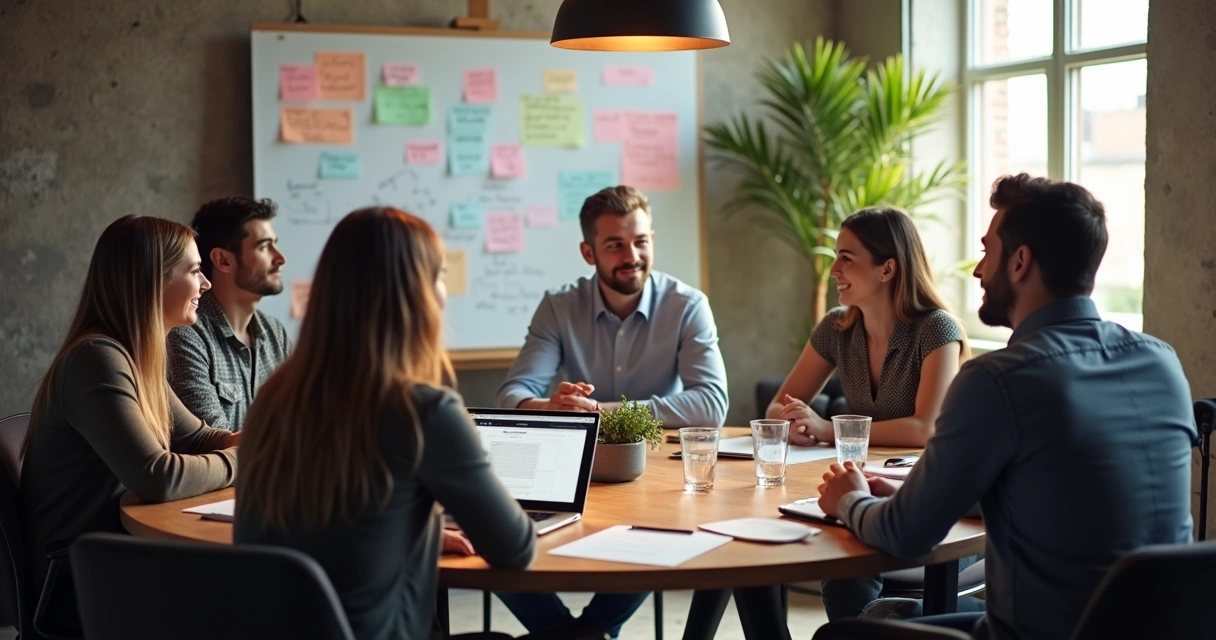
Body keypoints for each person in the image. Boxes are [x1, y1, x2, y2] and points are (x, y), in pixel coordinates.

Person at [817, 174, 1196, 640]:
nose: (978, 270)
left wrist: (848, 498)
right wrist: (910, 493)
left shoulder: (999, 380)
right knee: (885, 615)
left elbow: (904, 537)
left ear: (1020, 262)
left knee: (840, 635)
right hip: (1163, 628)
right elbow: (1059, 484)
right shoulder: (1161, 361)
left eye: (986, 251)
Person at [233, 207, 564, 640]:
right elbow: (516, 548)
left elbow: (329, 526)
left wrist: (410, 526)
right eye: (441, 277)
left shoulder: (274, 400)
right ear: (417, 295)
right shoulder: (423, 411)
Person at [494, 186, 729, 638]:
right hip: (578, 475)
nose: (632, 255)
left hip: (658, 479)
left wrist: (604, 412)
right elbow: (512, 395)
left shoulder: (688, 305)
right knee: (493, 533)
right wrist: (551, 405)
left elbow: (712, 404)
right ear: (588, 252)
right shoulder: (559, 306)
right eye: (615, 245)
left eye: (641, 241)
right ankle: (580, 633)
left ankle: (585, 631)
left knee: (669, 526)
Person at [20, 215, 240, 632]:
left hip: (116, 558)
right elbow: (157, 476)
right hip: (77, 584)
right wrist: (245, 459)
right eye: (195, 271)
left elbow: (197, 437)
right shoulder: (97, 360)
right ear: (150, 279)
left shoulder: (133, 356)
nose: (207, 284)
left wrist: (272, 443)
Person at [770, 207, 972, 621]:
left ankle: (873, 625)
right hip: (863, 491)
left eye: (847, 257)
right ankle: (868, 625)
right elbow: (777, 405)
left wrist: (825, 429)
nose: (833, 270)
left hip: (940, 510)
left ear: (887, 269)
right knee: (837, 549)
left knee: (848, 553)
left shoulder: (937, 329)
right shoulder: (837, 328)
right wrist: (794, 421)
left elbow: (925, 428)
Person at [167, 197, 290, 431]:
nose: (280, 258)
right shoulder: (186, 336)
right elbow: (212, 443)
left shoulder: (275, 334)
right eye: (264, 246)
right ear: (223, 260)